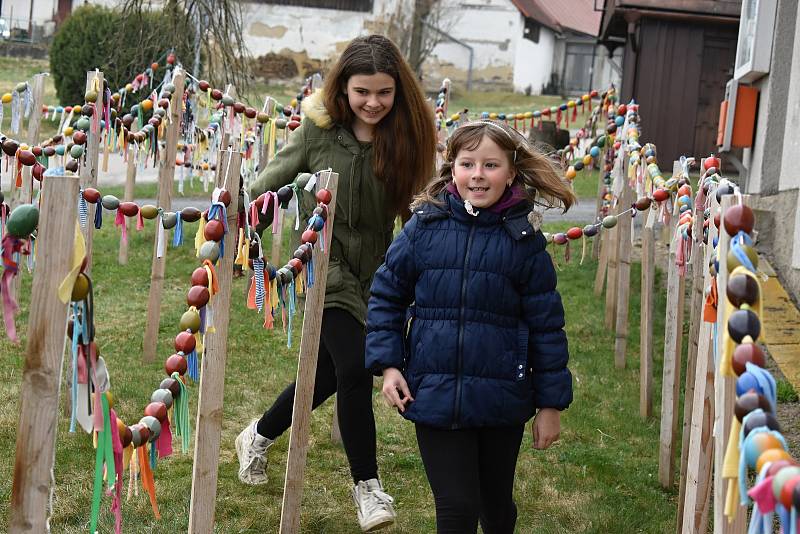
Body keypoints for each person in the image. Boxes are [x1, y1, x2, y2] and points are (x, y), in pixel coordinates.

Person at [235, 34, 436, 532]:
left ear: (398, 92)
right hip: (324, 267)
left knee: (327, 374)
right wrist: (239, 236)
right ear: (342, 88)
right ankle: (367, 487)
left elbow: (419, 209)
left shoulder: (407, 137)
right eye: (361, 91)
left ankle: (257, 435)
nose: (372, 103)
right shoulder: (316, 133)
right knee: (353, 367)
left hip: (380, 275)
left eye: (383, 93)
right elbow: (265, 190)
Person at [365, 120, 575, 533]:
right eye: (468, 164)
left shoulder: (523, 240)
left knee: (495, 508)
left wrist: (550, 405)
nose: (478, 174)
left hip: (501, 397)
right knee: (457, 508)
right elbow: (386, 294)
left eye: (491, 165)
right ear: (453, 168)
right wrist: (389, 365)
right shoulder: (423, 228)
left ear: (511, 172)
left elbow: (547, 325)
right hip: (435, 390)